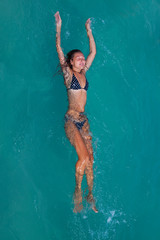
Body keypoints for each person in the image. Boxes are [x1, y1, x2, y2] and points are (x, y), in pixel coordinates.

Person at [54, 11, 98, 213]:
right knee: (83, 159)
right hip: (71, 121)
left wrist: (89, 31)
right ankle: (78, 192)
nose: (82, 60)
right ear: (71, 63)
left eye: (82, 59)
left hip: (84, 120)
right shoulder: (68, 74)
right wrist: (58, 28)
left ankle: (91, 193)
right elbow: (60, 51)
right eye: (78, 59)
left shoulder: (83, 74)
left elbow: (93, 53)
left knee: (91, 162)